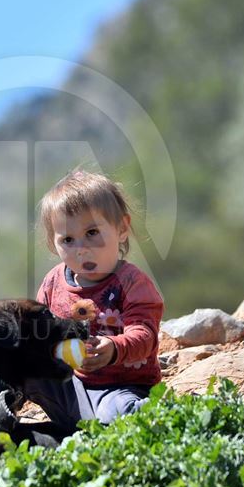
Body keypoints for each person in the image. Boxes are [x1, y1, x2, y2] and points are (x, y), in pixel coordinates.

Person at [24, 169, 164, 436]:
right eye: (68, 239)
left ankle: (105, 424)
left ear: (122, 229)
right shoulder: (54, 282)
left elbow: (145, 335)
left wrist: (113, 347)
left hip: (120, 387)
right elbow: (39, 330)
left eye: (91, 232)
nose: (81, 248)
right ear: (54, 245)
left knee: (119, 412)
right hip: (71, 385)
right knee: (20, 365)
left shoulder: (132, 282)